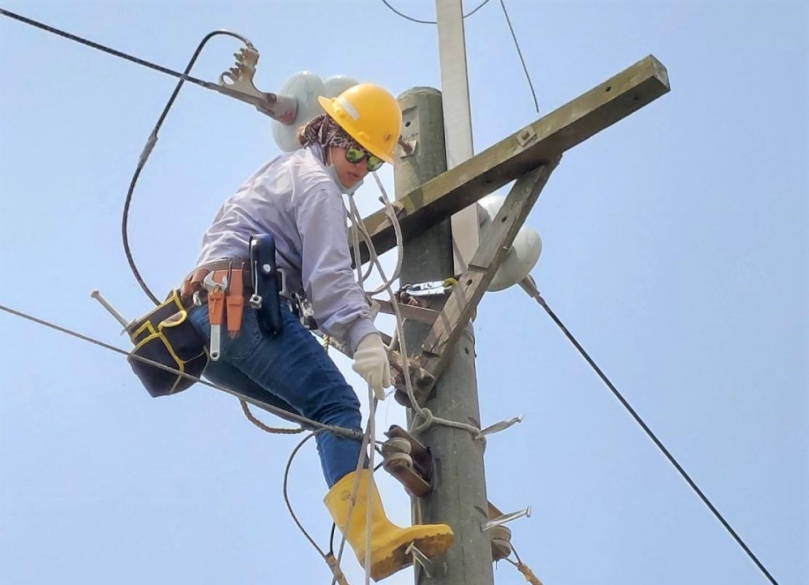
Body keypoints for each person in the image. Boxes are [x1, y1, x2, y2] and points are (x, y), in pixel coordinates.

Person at [183, 83, 454, 581]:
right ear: (328, 133)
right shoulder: (316, 185)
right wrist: (363, 337)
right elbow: (329, 277)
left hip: (210, 326)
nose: (359, 166)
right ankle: (373, 536)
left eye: (371, 161)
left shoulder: (282, 174)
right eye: (353, 150)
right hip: (242, 306)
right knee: (336, 407)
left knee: (323, 417)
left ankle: (368, 514)